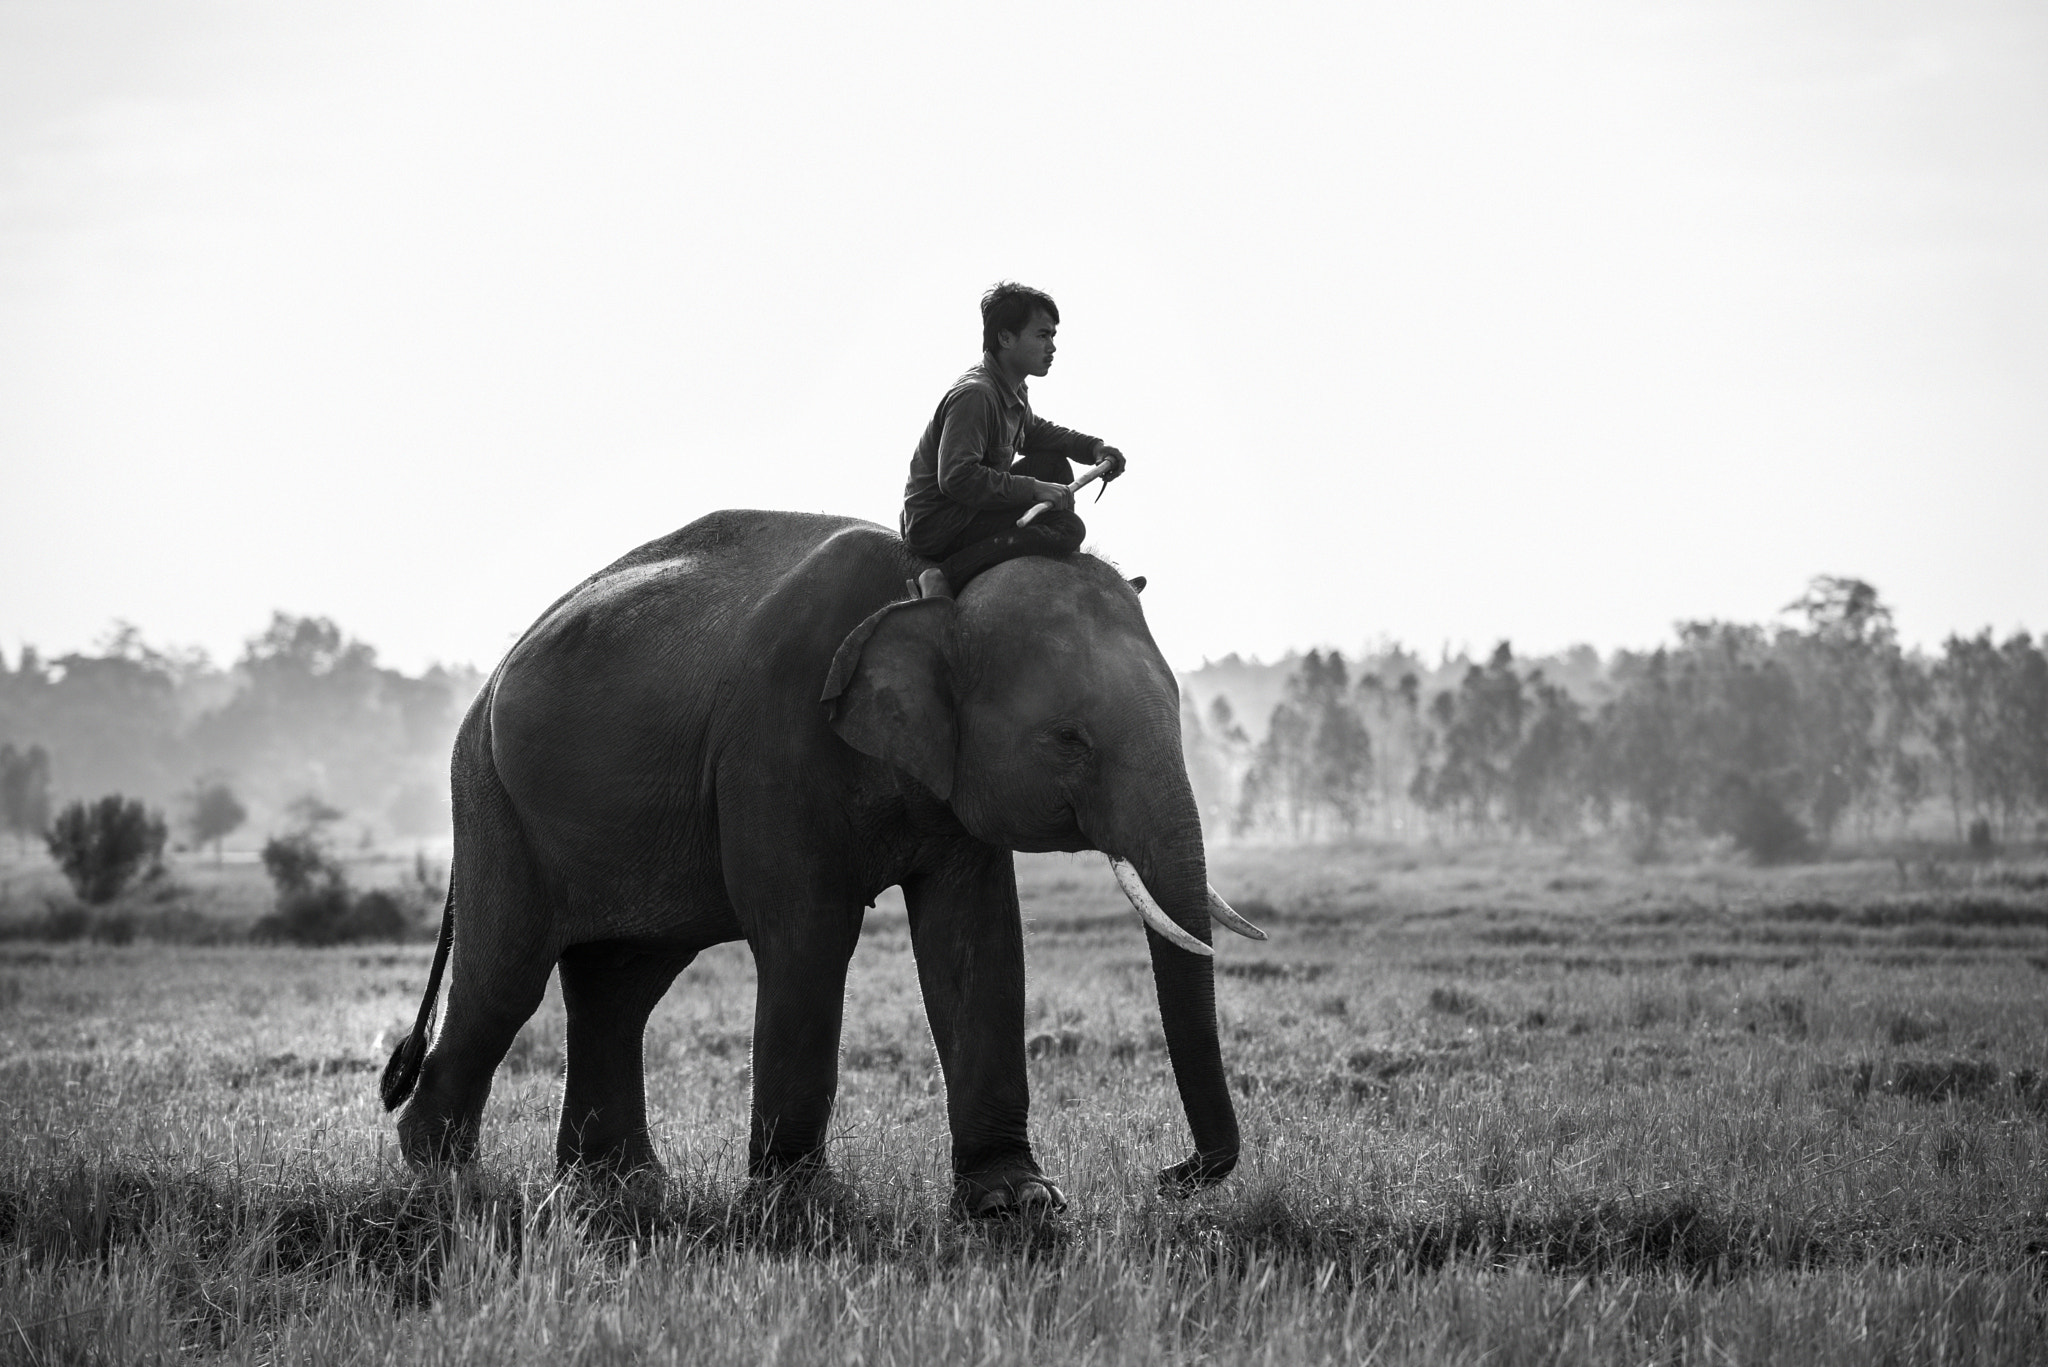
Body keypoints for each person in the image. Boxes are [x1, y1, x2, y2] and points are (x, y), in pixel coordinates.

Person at [899, 282, 1126, 599]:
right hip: (942, 525)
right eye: (1042, 335)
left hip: (970, 510)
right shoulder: (976, 394)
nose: (1052, 347)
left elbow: (1034, 433)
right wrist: (1035, 488)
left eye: (1053, 336)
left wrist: (1093, 449)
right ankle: (944, 577)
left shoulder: (1011, 387)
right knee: (1068, 528)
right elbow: (956, 478)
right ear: (1006, 337)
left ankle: (1053, 569)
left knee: (1053, 465)